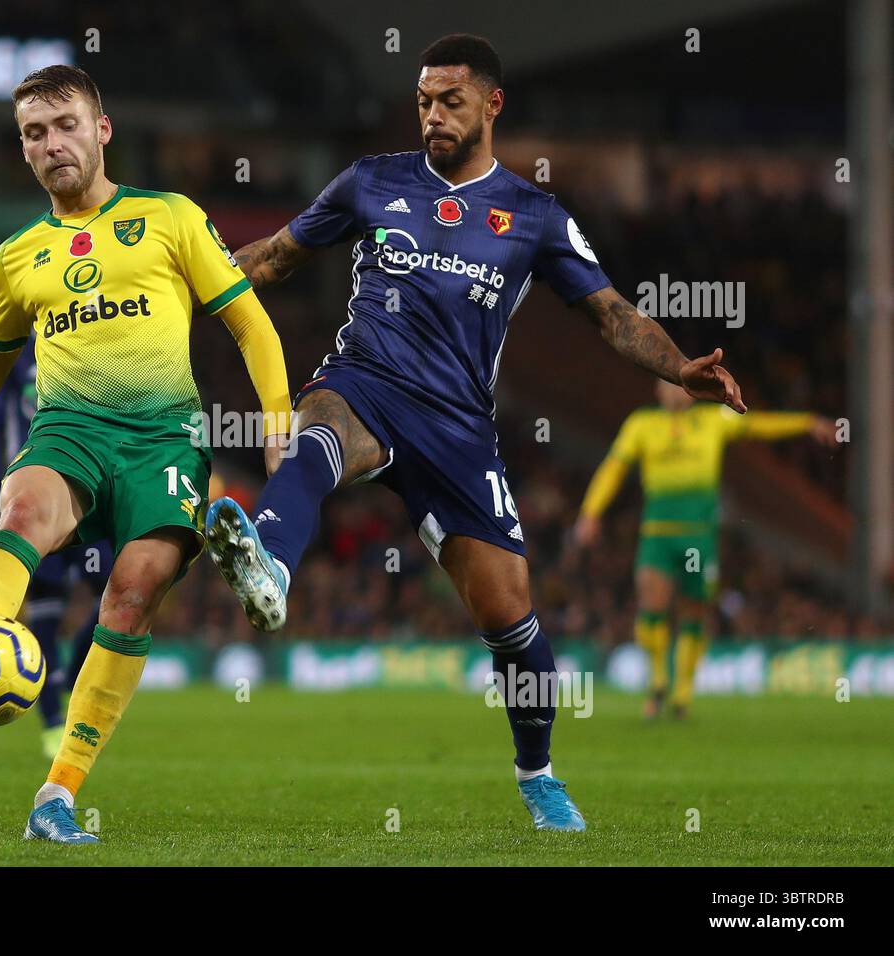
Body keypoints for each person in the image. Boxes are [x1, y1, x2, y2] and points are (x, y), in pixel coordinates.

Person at [202, 33, 745, 832]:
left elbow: (613, 315)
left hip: (457, 428)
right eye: (423, 101)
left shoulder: (534, 216)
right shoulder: (371, 182)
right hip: (366, 381)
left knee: (512, 621)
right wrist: (186, 283)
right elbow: (277, 257)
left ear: (492, 104)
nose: (432, 116)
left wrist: (679, 370)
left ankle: (539, 771)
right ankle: (270, 571)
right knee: (315, 429)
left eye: (449, 101)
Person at [0, 64, 291, 844]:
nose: (53, 144)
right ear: (23, 150)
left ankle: (54, 795)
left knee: (132, 593)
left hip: (165, 438)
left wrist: (277, 421)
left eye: (66, 125)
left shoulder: (171, 217)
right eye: (34, 134)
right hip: (68, 427)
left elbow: (249, 323)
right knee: (20, 508)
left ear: (101, 129)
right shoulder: (17, 256)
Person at [575, 380, 837, 718]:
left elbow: (759, 425)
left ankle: (682, 694)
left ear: (692, 392)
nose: (674, 391)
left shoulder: (714, 420)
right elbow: (614, 467)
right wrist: (591, 512)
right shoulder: (642, 423)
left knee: (694, 613)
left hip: (699, 537)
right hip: (658, 533)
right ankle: (657, 681)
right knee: (651, 607)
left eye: (680, 386)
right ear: (656, 390)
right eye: (666, 384)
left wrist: (807, 422)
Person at [0, 344, 113, 756]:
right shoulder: (16, 358)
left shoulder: (92, 343)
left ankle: (68, 677)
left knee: (117, 591)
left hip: (89, 494)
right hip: (35, 496)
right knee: (46, 613)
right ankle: (53, 721)